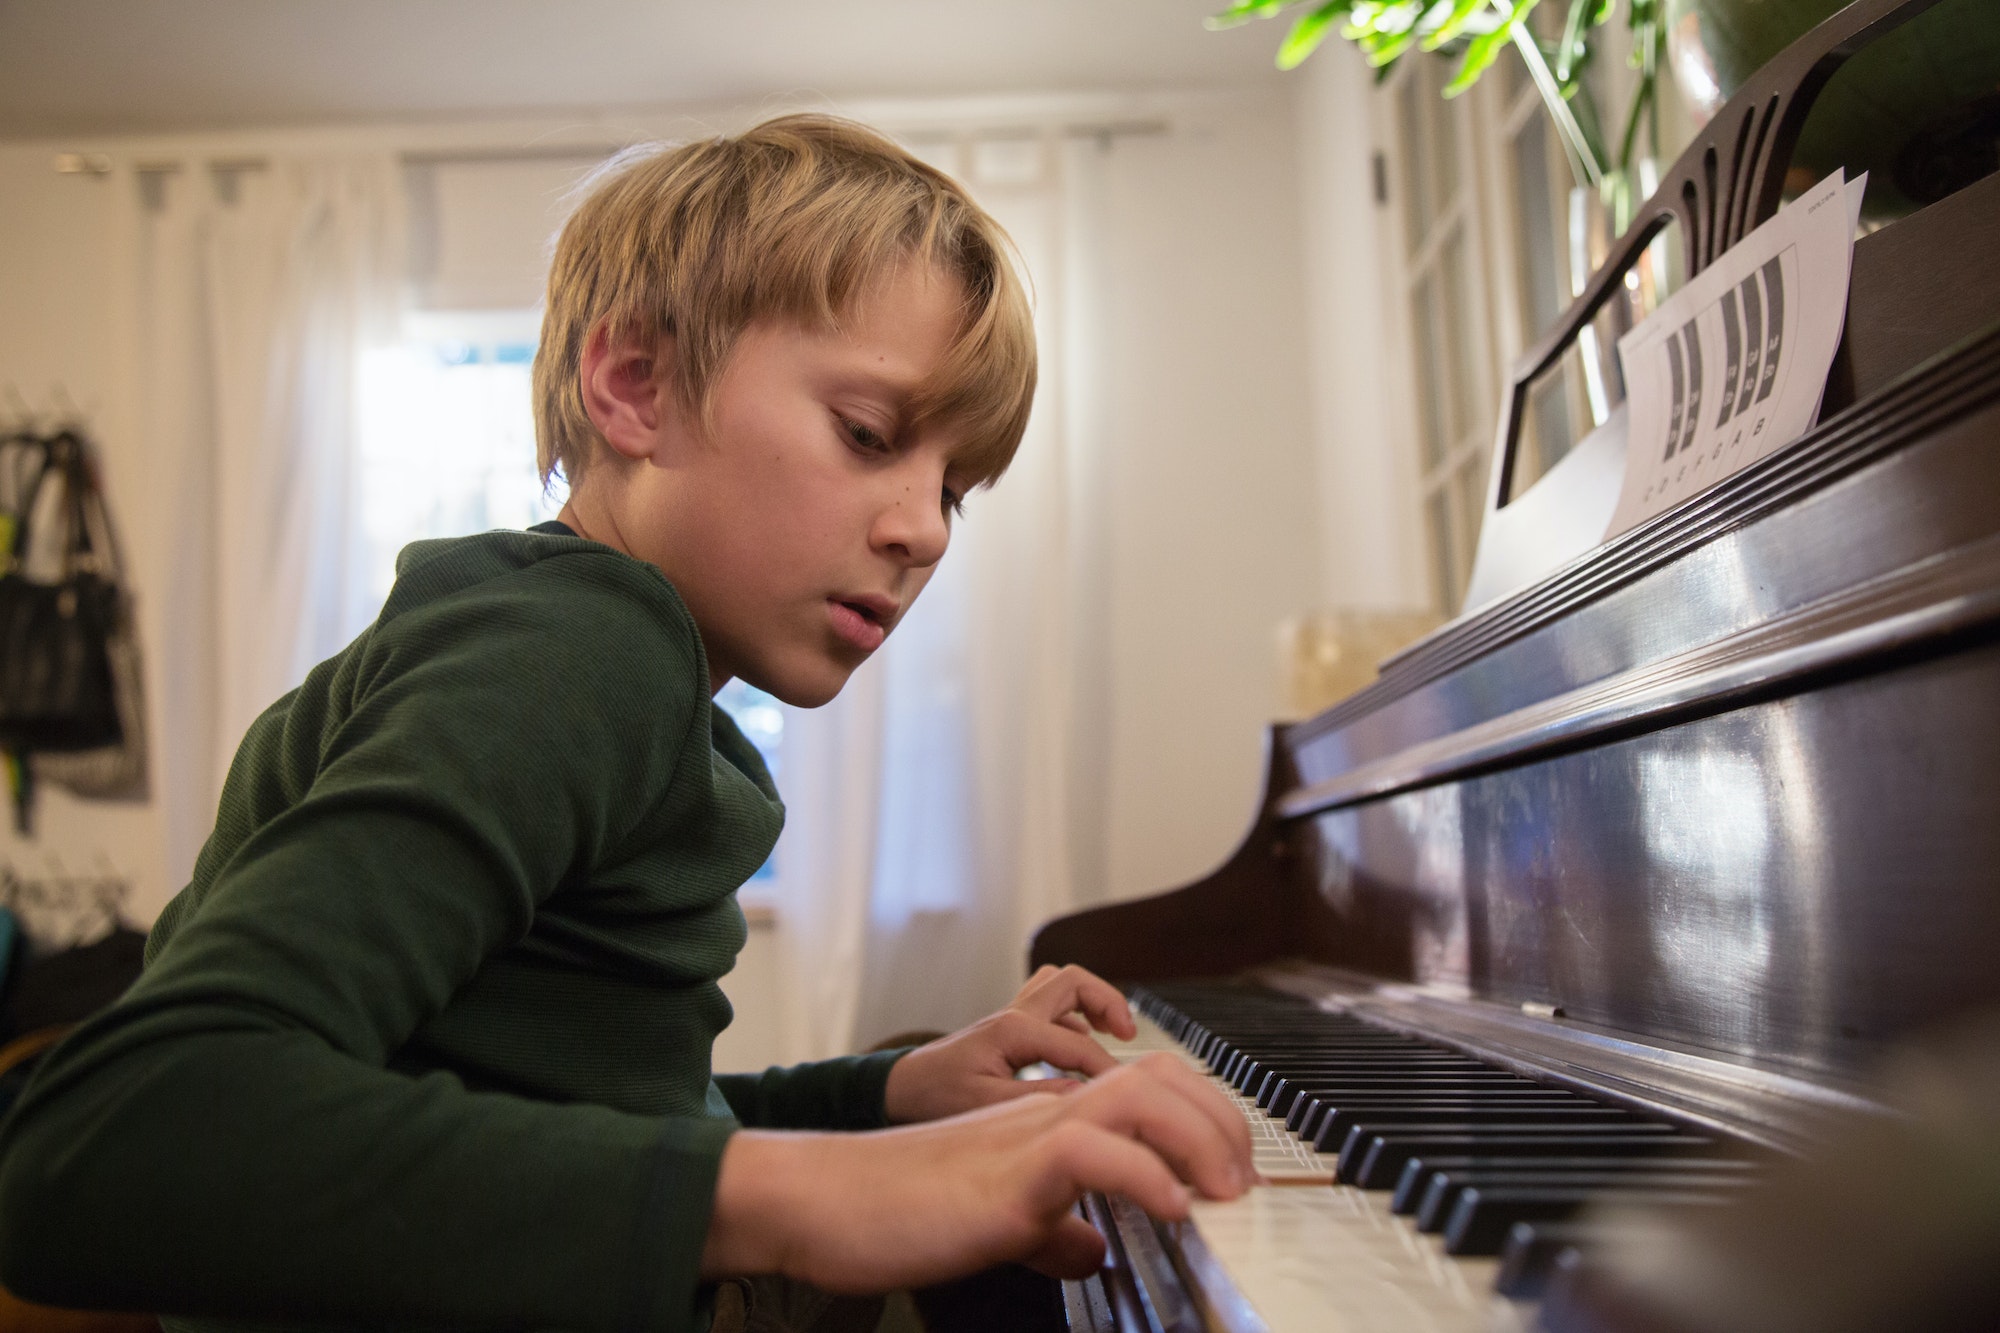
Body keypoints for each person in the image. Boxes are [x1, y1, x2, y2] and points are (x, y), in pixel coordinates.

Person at [0, 115, 1252, 1332]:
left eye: (952, 490)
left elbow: (591, 1098)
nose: (921, 529)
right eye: (868, 435)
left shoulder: (596, 657)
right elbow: (110, 1133)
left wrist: (878, 1096)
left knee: (945, 1094)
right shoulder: (577, 654)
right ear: (633, 384)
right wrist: (816, 1190)